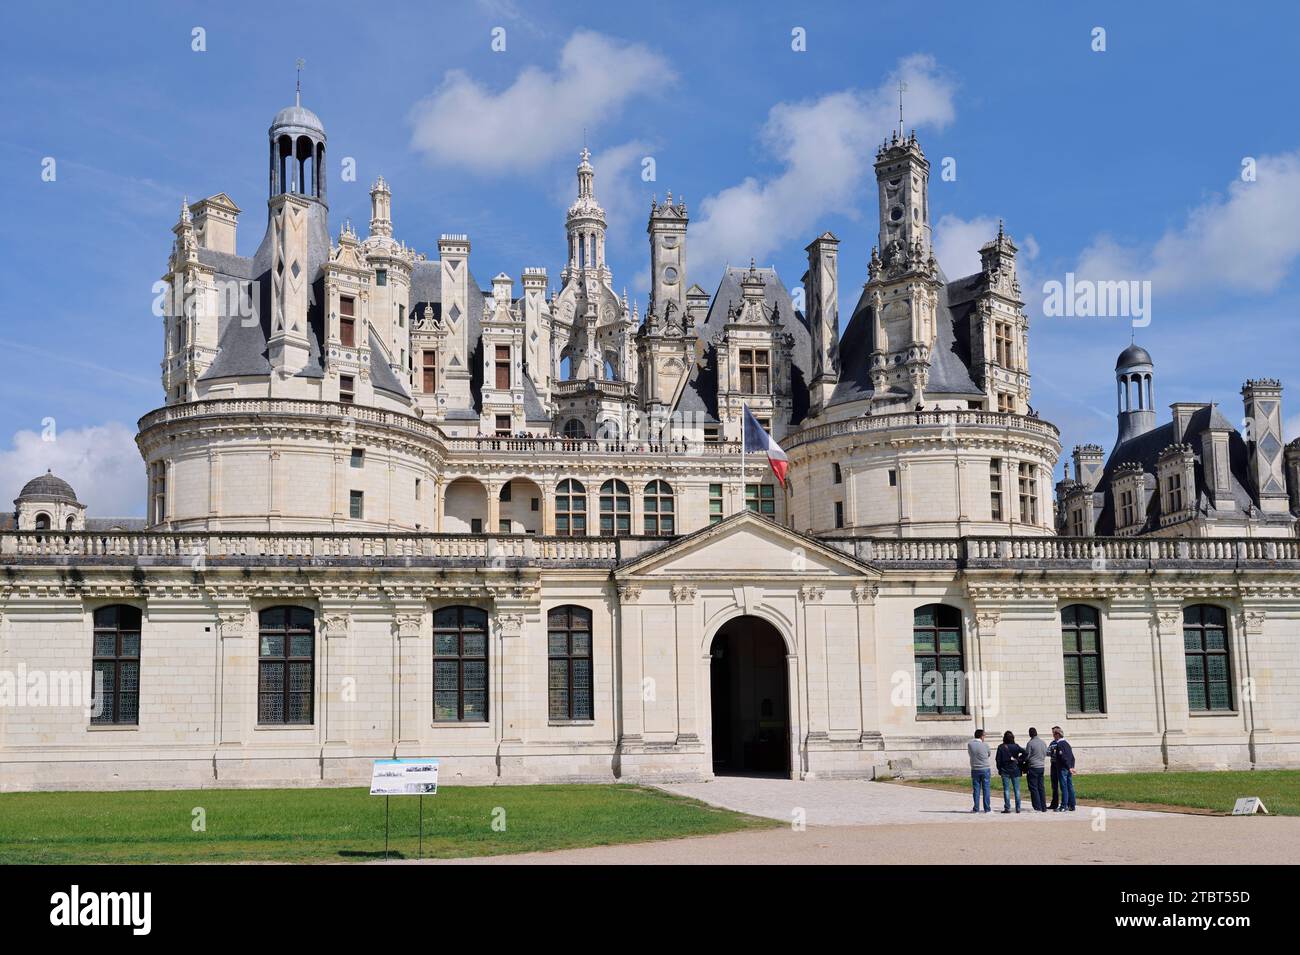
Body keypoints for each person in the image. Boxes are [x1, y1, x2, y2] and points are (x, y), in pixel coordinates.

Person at [995, 730, 1025, 813]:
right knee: (1017, 790)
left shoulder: (1001, 747)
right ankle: (1018, 808)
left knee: (1006, 790)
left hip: (1005, 770)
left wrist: (999, 769)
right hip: (1015, 769)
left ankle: (1007, 807)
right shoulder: (1016, 746)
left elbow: (998, 760)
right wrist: (1019, 760)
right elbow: (1025, 753)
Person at [1049, 725, 1076, 811]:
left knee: (1064, 787)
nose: (1053, 736)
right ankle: (1072, 805)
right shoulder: (1067, 744)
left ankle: (1064, 806)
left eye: (1054, 734)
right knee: (1070, 786)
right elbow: (1072, 757)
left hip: (1062, 768)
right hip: (1068, 768)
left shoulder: (1059, 744)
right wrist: (1072, 767)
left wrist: (1069, 767)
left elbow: (1063, 757)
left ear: (1057, 734)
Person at [966, 728, 992, 813]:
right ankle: (987, 809)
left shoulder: (970, 744)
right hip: (985, 768)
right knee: (986, 789)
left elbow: (970, 754)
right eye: (984, 735)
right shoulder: (985, 745)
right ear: (981, 736)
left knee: (976, 789)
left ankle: (976, 808)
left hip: (975, 768)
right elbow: (988, 754)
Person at [1024, 727, 1049, 812]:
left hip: (1033, 767)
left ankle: (1037, 806)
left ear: (1030, 734)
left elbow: (1027, 756)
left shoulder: (1030, 743)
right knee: (1041, 787)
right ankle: (1043, 806)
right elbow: (1046, 753)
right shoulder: (1043, 742)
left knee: (1033, 787)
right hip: (1041, 766)